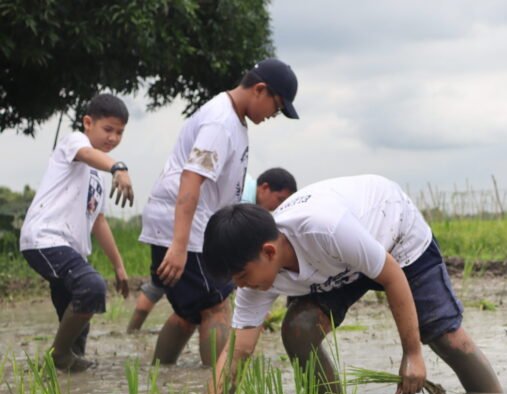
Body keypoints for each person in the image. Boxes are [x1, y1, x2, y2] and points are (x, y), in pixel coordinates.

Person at [201, 174, 502, 394]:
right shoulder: (256, 271)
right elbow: (238, 351)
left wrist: (412, 354)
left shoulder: (325, 229)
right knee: (299, 329)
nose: (240, 286)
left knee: (443, 336)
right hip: (338, 264)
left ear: (268, 252)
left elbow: (392, 276)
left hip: (393, 237)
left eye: (241, 276)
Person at [138, 58, 299, 367]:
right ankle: (218, 384)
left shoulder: (233, 120)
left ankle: (159, 377)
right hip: (188, 227)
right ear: (260, 89)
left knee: (189, 312)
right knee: (216, 306)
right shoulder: (220, 122)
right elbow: (191, 178)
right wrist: (180, 244)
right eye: (276, 107)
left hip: (192, 225)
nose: (272, 116)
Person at [19, 93, 135, 372]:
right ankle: (57, 355)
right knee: (91, 287)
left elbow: (99, 222)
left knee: (77, 334)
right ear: (87, 123)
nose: (113, 138)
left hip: (70, 248)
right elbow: (87, 154)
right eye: (108, 129)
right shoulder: (74, 142)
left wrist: (119, 267)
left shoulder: (95, 175)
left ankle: (61, 374)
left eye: (119, 132)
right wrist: (118, 167)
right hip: (45, 238)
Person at [126, 167, 297, 332]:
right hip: (189, 232)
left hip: (164, 222)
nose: (278, 207)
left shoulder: (243, 183)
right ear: (264, 188)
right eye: (280, 200)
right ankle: (211, 363)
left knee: (183, 306)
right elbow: (238, 262)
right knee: (215, 306)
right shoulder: (243, 203)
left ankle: (133, 333)